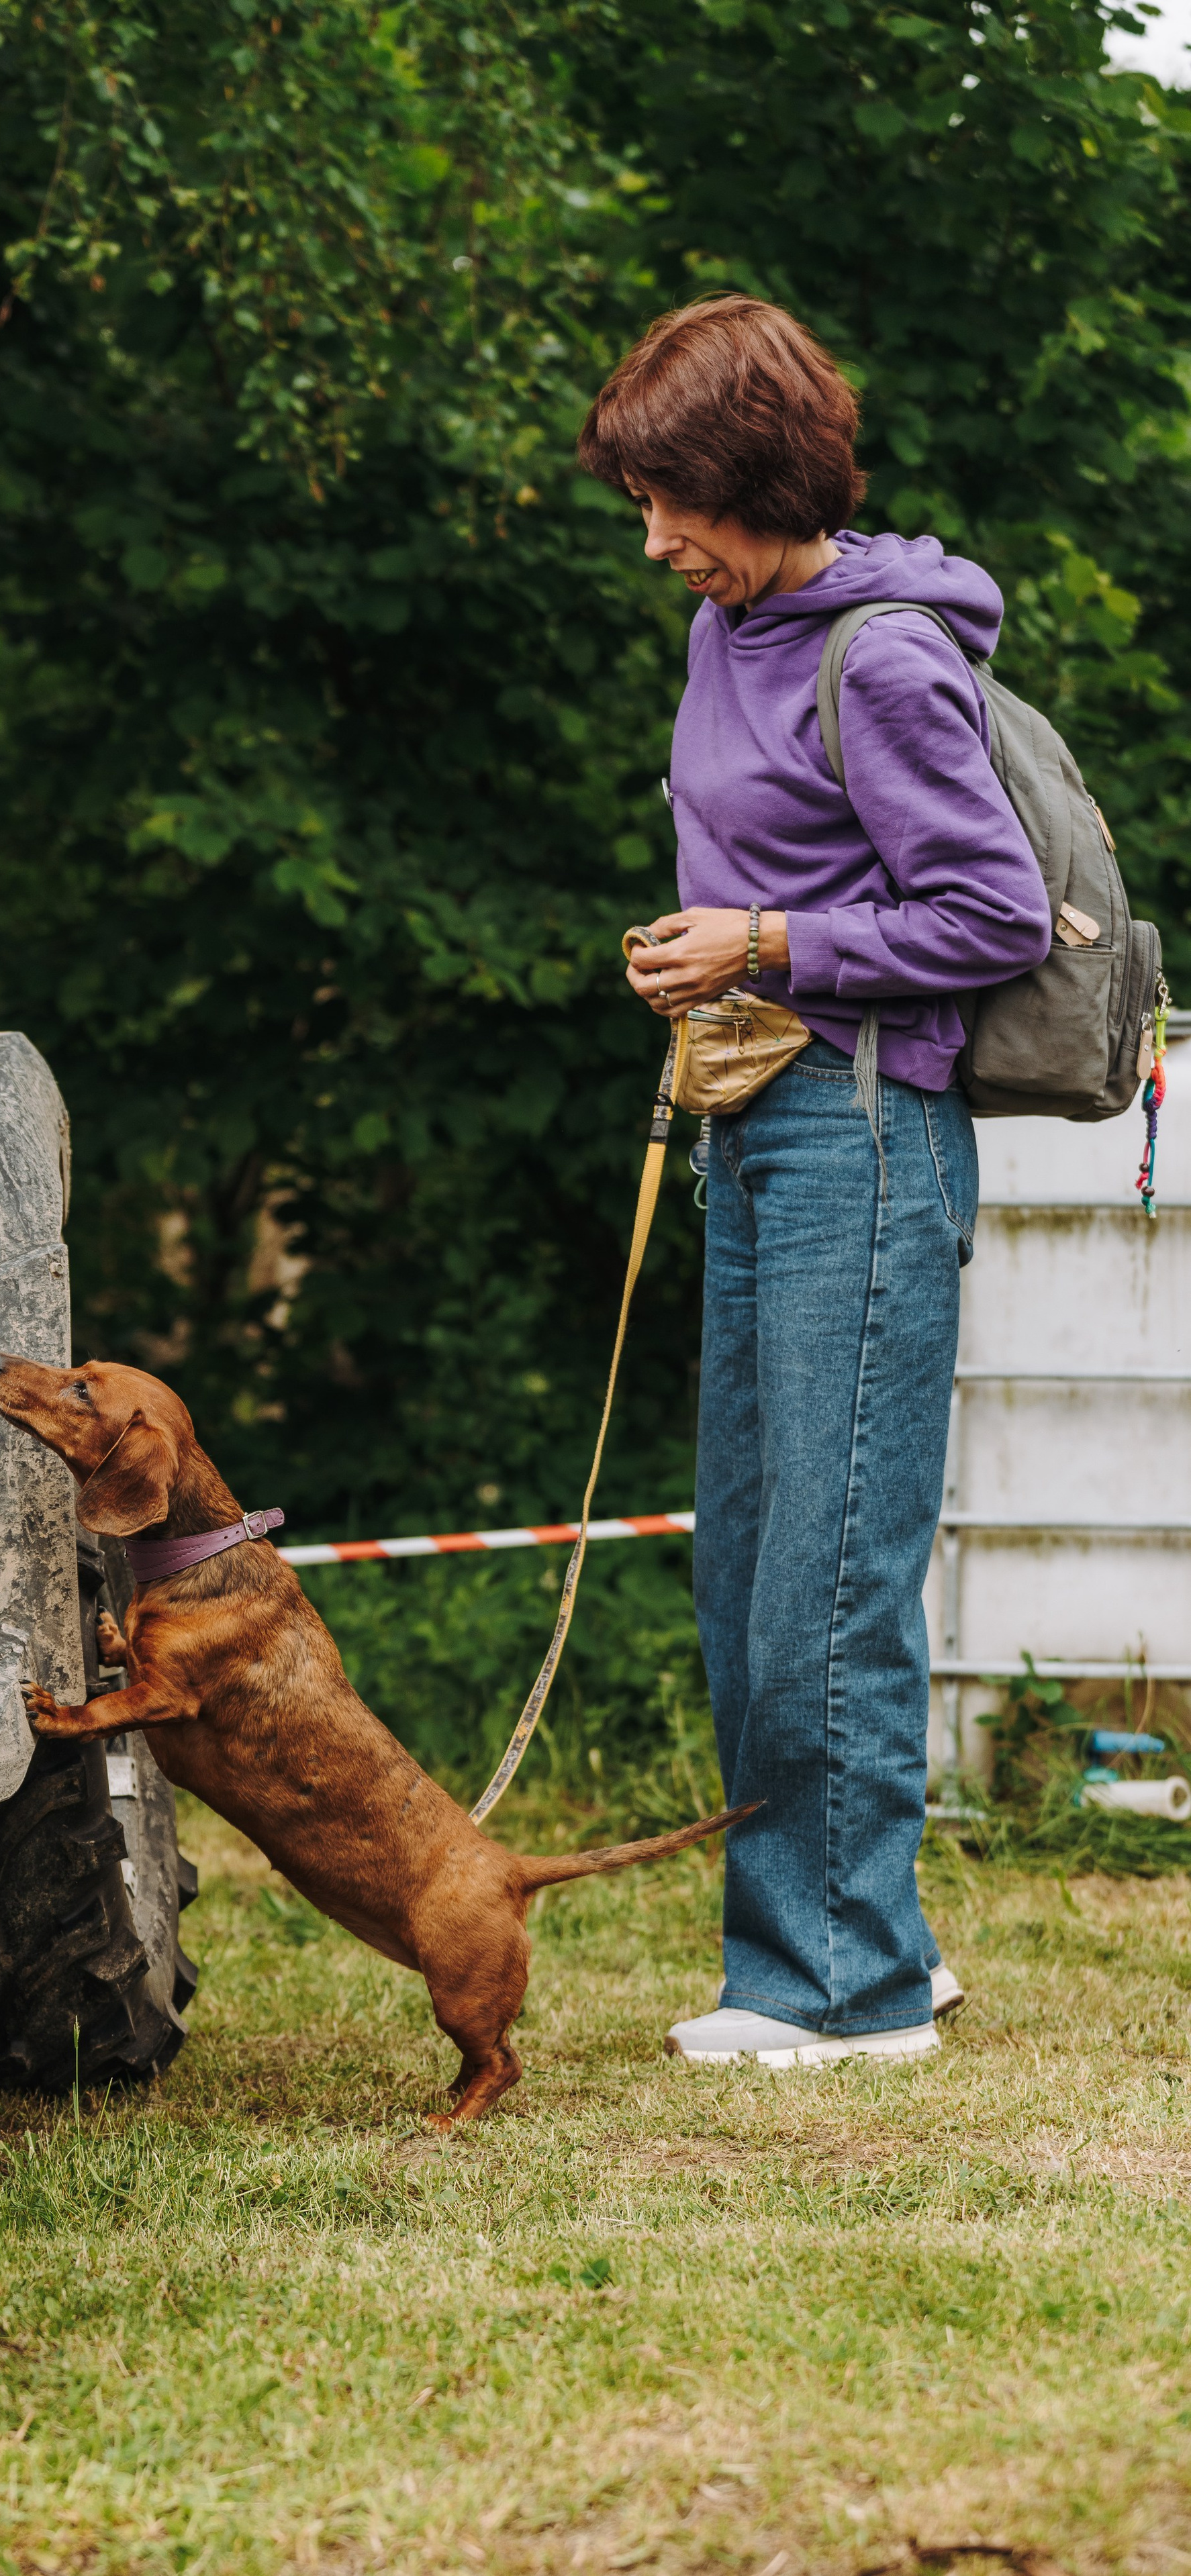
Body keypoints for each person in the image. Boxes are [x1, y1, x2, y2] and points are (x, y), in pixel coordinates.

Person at [577, 297, 1052, 2066]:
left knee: (831, 1568)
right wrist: (714, 965)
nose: (654, 539)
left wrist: (765, 938)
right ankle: (848, 1945)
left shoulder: (889, 661)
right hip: (756, 1121)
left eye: (671, 499)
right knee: (753, 1567)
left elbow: (992, 915)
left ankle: (845, 1992)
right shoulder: (735, 631)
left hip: (865, 1129)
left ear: (757, 476)